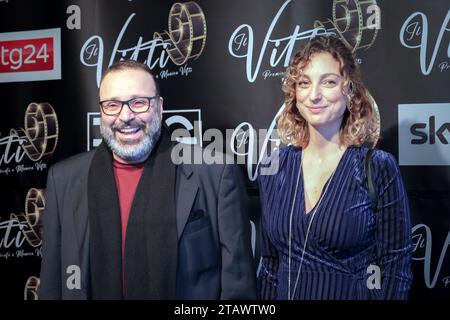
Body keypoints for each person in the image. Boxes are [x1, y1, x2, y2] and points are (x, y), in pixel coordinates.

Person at [38, 60, 256, 300]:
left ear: (160, 107)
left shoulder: (216, 173)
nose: (125, 116)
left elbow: (238, 289)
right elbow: (52, 285)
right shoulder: (64, 180)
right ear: (101, 111)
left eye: (139, 103)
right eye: (112, 105)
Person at [257, 35, 412, 300]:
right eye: (304, 83)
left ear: (349, 90)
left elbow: (396, 270)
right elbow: (271, 267)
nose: (314, 95)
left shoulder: (377, 167)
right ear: (295, 93)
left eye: (328, 82)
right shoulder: (274, 167)